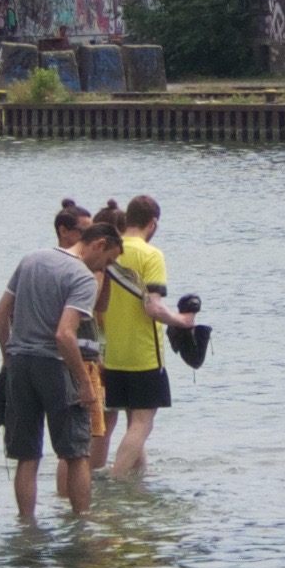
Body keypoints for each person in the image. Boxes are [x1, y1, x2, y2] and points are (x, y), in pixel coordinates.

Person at [0, 214, 103, 525]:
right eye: (108, 258)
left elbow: (0, 313)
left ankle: (26, 524)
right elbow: (65, 335)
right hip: (55, 366)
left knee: (27, 455)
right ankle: (82, 524)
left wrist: (7, 357)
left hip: (20, 364)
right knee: (77, 453)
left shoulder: (31, 259)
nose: (105, 267)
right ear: (100, 244)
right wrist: (85, 383)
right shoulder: (83, 278)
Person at [98, 195, 176, 474]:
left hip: (114, 353)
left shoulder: (109, 249)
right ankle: (116, 480)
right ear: (152, 223)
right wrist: (183, 322)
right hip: (143, 354)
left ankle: (138, 480)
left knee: (133, 423)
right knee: (143, 422)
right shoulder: (151, 254)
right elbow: (154, 308)